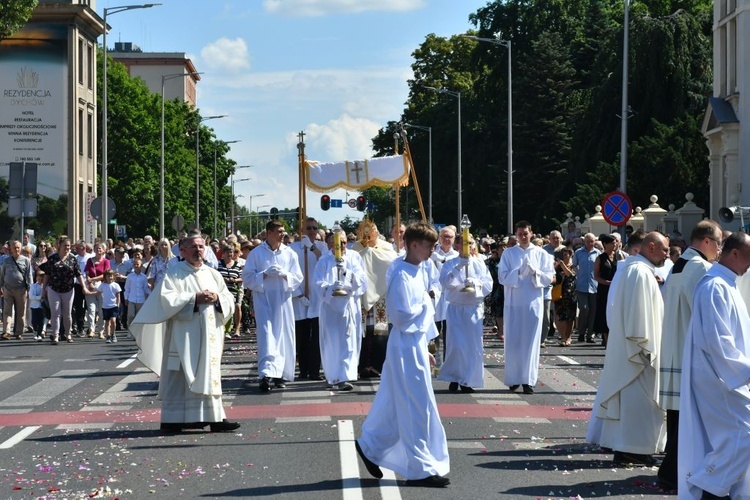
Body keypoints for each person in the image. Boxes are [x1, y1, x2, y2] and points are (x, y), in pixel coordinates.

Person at [355, 221, 450, 488]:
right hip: (405, 344)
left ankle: (370, 446)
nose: (432, 249)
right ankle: (420, 469)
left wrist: (427, 348)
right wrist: (425, 303)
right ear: (413, 245)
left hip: (414, 344)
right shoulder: (401, 275)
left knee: (395, 404)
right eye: (429, 244)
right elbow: (399, 315)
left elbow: (421, 315)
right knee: (415, 406)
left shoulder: (418, 271)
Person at [130, 234, 240, 434]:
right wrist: (194, 298)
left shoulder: (213, 274)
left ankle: (215, 418)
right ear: (183, 251)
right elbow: (166, 301)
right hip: (184, 337)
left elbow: (228, 299)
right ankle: (173, 419)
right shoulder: (174, 273)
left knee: (209, 373)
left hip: (209, 336)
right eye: (194, 247)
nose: (198, 250)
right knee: (181, 375)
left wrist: (217, 299)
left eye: (201, 246)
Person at [678, 231, 750, 499]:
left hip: (727, 376)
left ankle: (725, 491)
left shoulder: (727, 284)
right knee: (744, 433)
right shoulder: (714, 286)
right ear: (734, 253)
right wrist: (746, 371)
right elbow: (718, 341)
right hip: (718, 376)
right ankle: (708, 488)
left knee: (732, 438)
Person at [588, 231, 669, 466]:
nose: (666, 254)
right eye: (664, 249)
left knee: (634, 403)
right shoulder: (640, 272)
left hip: (631, 347)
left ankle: (632, 448)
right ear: (651, 247)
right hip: (638, 350)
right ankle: (633, 449)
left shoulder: (635, 269)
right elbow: (640, 318)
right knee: (638, 401)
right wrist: (647, 347)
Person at [656, 220, 722, 489]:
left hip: (674, 346)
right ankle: (674, 473)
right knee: (690, 421)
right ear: (705, 241)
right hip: (689, 352)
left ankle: (670, 472)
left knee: (677, 419)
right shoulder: (700, 268)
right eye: (718, 243)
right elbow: (705, 313)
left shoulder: (678, 266)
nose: (719, 249)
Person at [243, 220, 303, 392]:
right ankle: (266, 374)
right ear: (269, 233)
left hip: (283, 301)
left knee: (283, 335)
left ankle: (281, 374)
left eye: (283, 231)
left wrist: (285, 275)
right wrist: (264, 275)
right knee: (267, 336)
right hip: (264, 301)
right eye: (279, 231)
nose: (282, 234)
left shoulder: (289, 253)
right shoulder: (256, 254)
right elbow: (247, 277)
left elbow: (298, 276)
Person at [498, 221, 555, 394]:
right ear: (516, 234)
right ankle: (514, 378)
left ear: (531, 234)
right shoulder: (508, 253)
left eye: (525, 233)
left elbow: (550, 277)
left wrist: (535, 272)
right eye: (520, 233)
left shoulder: (541, 253)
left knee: (531, 341)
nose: (523, 236)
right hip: (514, 303)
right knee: (514, 341)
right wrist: (518, 272)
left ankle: (528, 380)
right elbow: (501, 277)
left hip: (533, 302)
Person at [437, 232, 492, 392]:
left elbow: (489, 284)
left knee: (471, 345)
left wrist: (476, 284)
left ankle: (467, 379)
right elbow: (445, 282)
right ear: (458, 245)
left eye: (471, 243)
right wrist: (459, 267)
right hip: (456, 307)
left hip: (473, 308)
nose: (468, 246)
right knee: (456, 345)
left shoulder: (480, 264)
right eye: (464, 243)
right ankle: (455, 376)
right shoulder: (450, 263)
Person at [314, 229, 367, 391]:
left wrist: (348, 274)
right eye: (338, 243)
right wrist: (331, 288)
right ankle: (333, 375)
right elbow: (317, 284)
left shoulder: (354, 257)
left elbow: (363, 282)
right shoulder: (324, 260)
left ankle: (346, 376)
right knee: (332, 341)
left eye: (344, 242)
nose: (341, 246)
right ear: (331, 244)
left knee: (348, 341)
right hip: (330, 308)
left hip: (349, 305)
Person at [290, 218, 327, 380]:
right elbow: (290, 273)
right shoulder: (292, 249)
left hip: (316, 298)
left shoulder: (322, 247)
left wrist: (312, 248)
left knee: (316, 336)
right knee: (301, 335)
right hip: (300, 297)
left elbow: (325, 263)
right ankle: (303, 369)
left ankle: (314, 370)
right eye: (309, 228)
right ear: (302, 229)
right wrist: (298, 293)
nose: (312, 231)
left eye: (315, 228)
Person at [40, 236, 88, 344]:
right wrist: (44, 289)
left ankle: (68, 334)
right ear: (59, 246)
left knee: (67, 313)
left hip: (68, 289)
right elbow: (47, 274)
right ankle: (55, 335)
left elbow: (78, 274)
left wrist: (83, 287)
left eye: (68, 246)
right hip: (54, 289)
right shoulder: (53, 258)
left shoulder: (72, 259)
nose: (67, 248)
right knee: (55, 313)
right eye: (65, 245)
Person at [430, 225, 459, 357]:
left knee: (450, 332)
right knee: (434, 331)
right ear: (439, 238)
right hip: (435, 297)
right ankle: (433, 360)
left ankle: (449, 361)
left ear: (454, 239)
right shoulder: (431, 255)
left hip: (450, 297)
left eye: (450, 237)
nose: (447, 239)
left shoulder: (458, 256)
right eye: (444, 236)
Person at [0, 240, 33, 340]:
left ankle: (18, 332)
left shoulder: (26, 260)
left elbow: (29, 276)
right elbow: (2, 274)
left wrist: (29, 289)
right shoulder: (6, 261)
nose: (17, 250)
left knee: (20, 312)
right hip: (8, 289)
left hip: (21, 290)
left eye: (18, 248)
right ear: (11, 249)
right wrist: (1, 287)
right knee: (7, 311)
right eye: (15, 248)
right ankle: (6, 332)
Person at [573, 233, 600, 344]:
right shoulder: (578, 253)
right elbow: (574, 265)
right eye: (588, 241)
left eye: (592, 241)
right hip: (582, 286)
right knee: (584, 309)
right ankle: (581, 332)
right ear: (584, 241)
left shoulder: (598, 253)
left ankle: (590, 334)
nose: (590, 243)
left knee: (593, 311)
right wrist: (578, 272)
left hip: (594, 286)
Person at [593, 234, 618, 347]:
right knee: (604, 312)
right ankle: (606, 338)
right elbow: (596, 276)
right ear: (605, 244)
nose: (615, 245)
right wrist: (606, 282)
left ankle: (614, 337)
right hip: (604, 289)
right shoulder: (600, 258)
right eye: (612, 243)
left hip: (616, 289)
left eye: (615, 242)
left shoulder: (619, 257)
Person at [84, 242, 111, 339]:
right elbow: (87, 273)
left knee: (101, 310)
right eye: (97, 248)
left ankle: (101, 331)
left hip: (102, 286)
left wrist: (93, 279)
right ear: (94, 250)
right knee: (91, 309)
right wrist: (90, 282)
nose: (99, 250)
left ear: (104, 250)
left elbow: (105, 275)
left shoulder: (106, 261)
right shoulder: (89, 260)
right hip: (90, 286)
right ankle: (91, 330)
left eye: (100, 248)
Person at [217, 243, 244, 338]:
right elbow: (215, 275)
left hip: (235, 289)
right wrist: (223, 279)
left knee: (237, 307)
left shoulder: (237, 265)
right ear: (223, 253)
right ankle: (225, 329)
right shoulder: (218, 264)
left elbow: (242, 277)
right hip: (223, 290)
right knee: (224, 308)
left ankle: (237, 329)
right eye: (227, 252)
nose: (229, 254)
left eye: (231, 252)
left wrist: (235, 280)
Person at [553, 247, 577, 346]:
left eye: (566, 255)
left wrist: (563, 266)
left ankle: (568, 337)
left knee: (570, 317)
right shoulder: (556, 267)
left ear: (571, 255)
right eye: (562, 255)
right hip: (559, 294)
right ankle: (563, 337)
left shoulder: (574, 266)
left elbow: (571, 275)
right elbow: (553, 278)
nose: (564, 257)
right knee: (561, 316)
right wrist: (555, 267)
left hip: (571, 294)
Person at [93, 270, 121, 343]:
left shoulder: (116, 285)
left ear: (113, 277)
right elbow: (97, 292)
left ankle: (113, 334)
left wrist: (118, 304)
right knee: (107, 322)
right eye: (108, 276)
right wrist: (89, 293)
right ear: (105, 277)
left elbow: (118, 295)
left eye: (111, 276)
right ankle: (108, 336)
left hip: (114, 306)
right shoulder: (102, 285)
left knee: (113, 320)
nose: (110, 277)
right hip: (105, 306)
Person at [124, 257, 150, 330]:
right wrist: (126, 298)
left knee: (139, 317)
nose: (136, 266)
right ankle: (130, 330)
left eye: (137, 264)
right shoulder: (130, 276)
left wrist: (151, 294)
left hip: (141, 299)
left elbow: (145, 288)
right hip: (131, 299)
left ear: (141, 266)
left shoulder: (144, 277)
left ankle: (138, 332)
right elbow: (127, 288)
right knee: (131, 315)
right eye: (134, 264)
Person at [28, 271, 46, 341]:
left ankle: (39, 334)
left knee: (41, 321)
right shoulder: (33, 286)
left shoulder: (45, 287)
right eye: (39, 278)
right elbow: (31, 296)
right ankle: (35, 332)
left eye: (42, 278)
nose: (41, 280)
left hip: (42, 307)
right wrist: (39, 298)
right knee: (34, 321)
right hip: (34, 306)